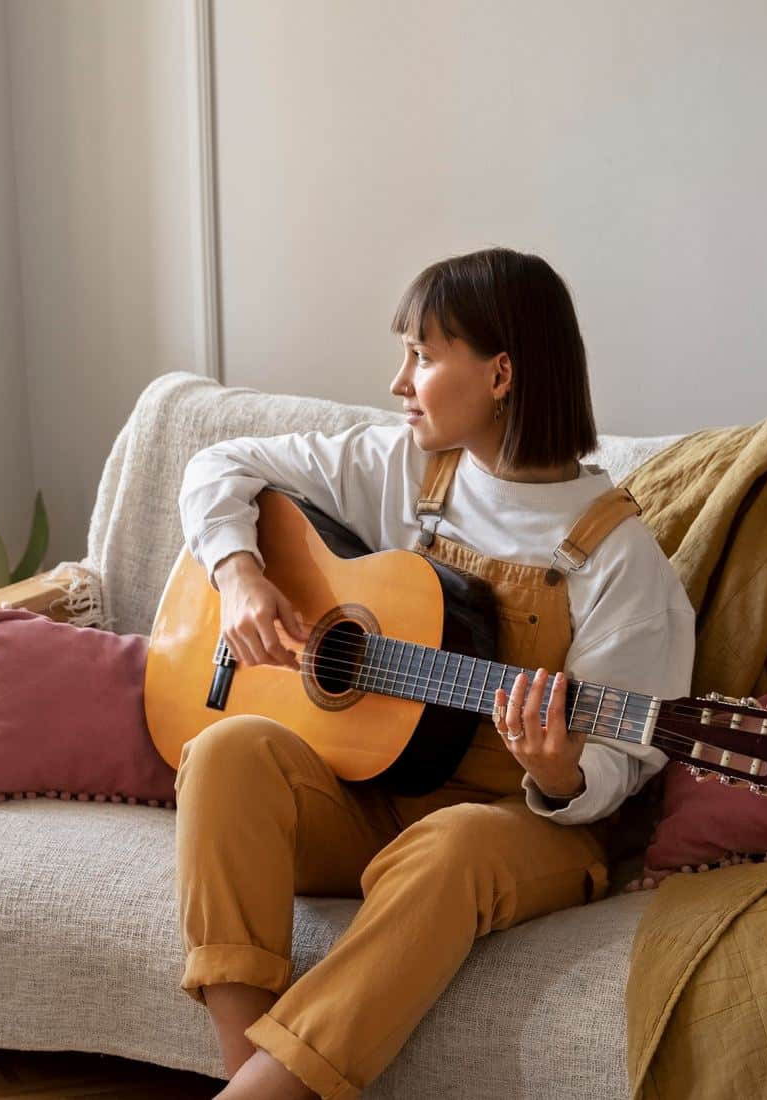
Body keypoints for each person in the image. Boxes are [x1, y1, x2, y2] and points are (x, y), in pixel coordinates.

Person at [173, 246, 696, 1099]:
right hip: (373, 790)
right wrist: (238, 574)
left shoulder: (619, 559)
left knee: (452, 844)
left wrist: (561, 771)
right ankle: (251, 1082)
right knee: (228, 751)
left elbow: (622, 765)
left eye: (422, 355)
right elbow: (216, 466)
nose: (398, 381)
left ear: (500, 374)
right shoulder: (403, 467)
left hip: (518, 826)